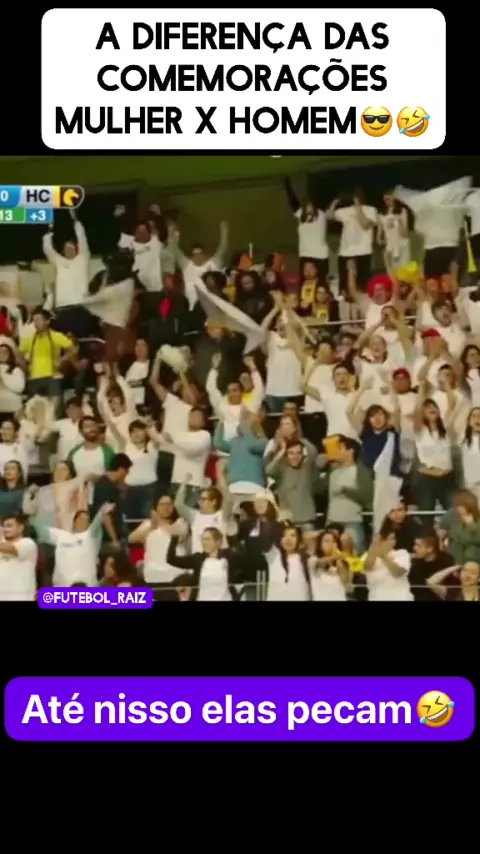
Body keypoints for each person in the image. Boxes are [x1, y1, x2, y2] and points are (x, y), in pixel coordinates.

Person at [31, 502, 114, 587]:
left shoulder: (91, 537)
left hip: (87, 588)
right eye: (81, 519)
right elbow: (42, 530)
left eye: (86, 520)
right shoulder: (61, 535)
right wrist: (32, 515)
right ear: (74, 522)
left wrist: (102, 511)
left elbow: (97, 523)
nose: (83, 522)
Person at [166, 527, 239, 601]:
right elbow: (171, 560)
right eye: (202, 539)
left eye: (207, 539)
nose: (204, 542)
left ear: (217, 542)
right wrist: (174, 539)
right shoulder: (197, 559)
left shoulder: (228, 557)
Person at [17, 307, 75, 400]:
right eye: (34, 320)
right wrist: (25, 367)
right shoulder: (29, 338)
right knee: (35, 406)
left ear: (47, 321)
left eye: (39, 320)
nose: (36, 323)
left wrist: (62, 361)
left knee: (54, 405)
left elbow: (72, 349)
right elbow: (18, 354)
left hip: (53, 378)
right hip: (33, 378)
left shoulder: (56, 336)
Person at [91, 453, 133, 551]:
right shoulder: (106, 487)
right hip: (107, 539)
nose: (127, 474)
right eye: (127, 471)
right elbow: (106, 515)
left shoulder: (108, 484)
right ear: (121, 469)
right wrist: (114, 540)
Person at [362, 527, 413, 601]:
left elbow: (398, 573)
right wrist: (374, 548)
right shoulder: (367, 556)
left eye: (393, 539)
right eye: (390, 539)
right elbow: (367, 567)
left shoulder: (402, 553)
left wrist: (383, 557)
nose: (393, 541)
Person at [0, 513, 38, 601]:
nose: (5, 529)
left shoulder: (28, 543)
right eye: (4, 526)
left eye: (9, 526)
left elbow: (11, 548)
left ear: (21, 528)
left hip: (22, 597)